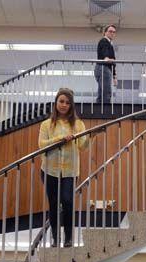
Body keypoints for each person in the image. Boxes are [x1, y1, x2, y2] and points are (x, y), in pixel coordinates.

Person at [38, 88, 89, 247]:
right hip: (49, 170)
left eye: (67, 102)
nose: (64, 105)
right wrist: (61, 139)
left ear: (71, 105)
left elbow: (82, 146)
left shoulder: (78, 124)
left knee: (67, 201)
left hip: (70, 171)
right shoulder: (47, 124)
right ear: (56, 102)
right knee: (53, 204)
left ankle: (68, 238)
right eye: (61, 101)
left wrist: (92, 136)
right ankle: (55, 238)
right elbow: (41, 145)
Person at [95, 24, 117, 104]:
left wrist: (114, 76)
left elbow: (112, 61)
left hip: (104, 68)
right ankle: (105, 112)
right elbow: (105, 54)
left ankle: (99, 111)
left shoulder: (109, 43)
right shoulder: (104, 41)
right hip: (103, 68)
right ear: (105, 33)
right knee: (106, 93)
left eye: (114, 32)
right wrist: (106, 58)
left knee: (102, 92)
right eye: (110, 31)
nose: (112, 33)